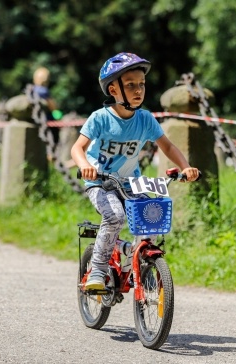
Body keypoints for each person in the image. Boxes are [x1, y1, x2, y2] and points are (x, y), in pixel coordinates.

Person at [71, 52, 200, 290]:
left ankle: (141, 265)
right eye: (130, 85)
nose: (138, 89)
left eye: (141, 84)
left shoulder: (145, 119)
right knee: (115, 216)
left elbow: (168, 146)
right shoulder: (100, 119)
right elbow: (77, 148)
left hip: (131, 183)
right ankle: (97, 272)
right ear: (113, 90)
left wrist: (186, 167)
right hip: (101, 182)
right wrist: (85, 166)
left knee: (150, 217)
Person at [32, 67, 61, 160]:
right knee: (52, 142)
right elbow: (52, 107)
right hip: (48, 122)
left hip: (36, 121)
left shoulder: (32, 91)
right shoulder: (44, 91)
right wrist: (58, 116)